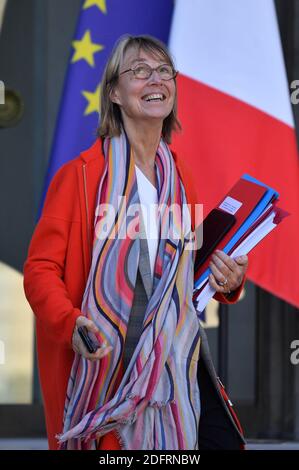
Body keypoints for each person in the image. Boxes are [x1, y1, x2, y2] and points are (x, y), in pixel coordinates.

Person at [23, 35, 248, 450]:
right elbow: (40, 271)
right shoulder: (80, 176)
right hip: (105, 370)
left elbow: (183, 277)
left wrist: (229, 281)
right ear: (114, 93)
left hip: (174, 370)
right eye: (139, 70)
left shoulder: (181, 177)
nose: (155, 79)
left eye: (164, 71)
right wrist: (70, 324)